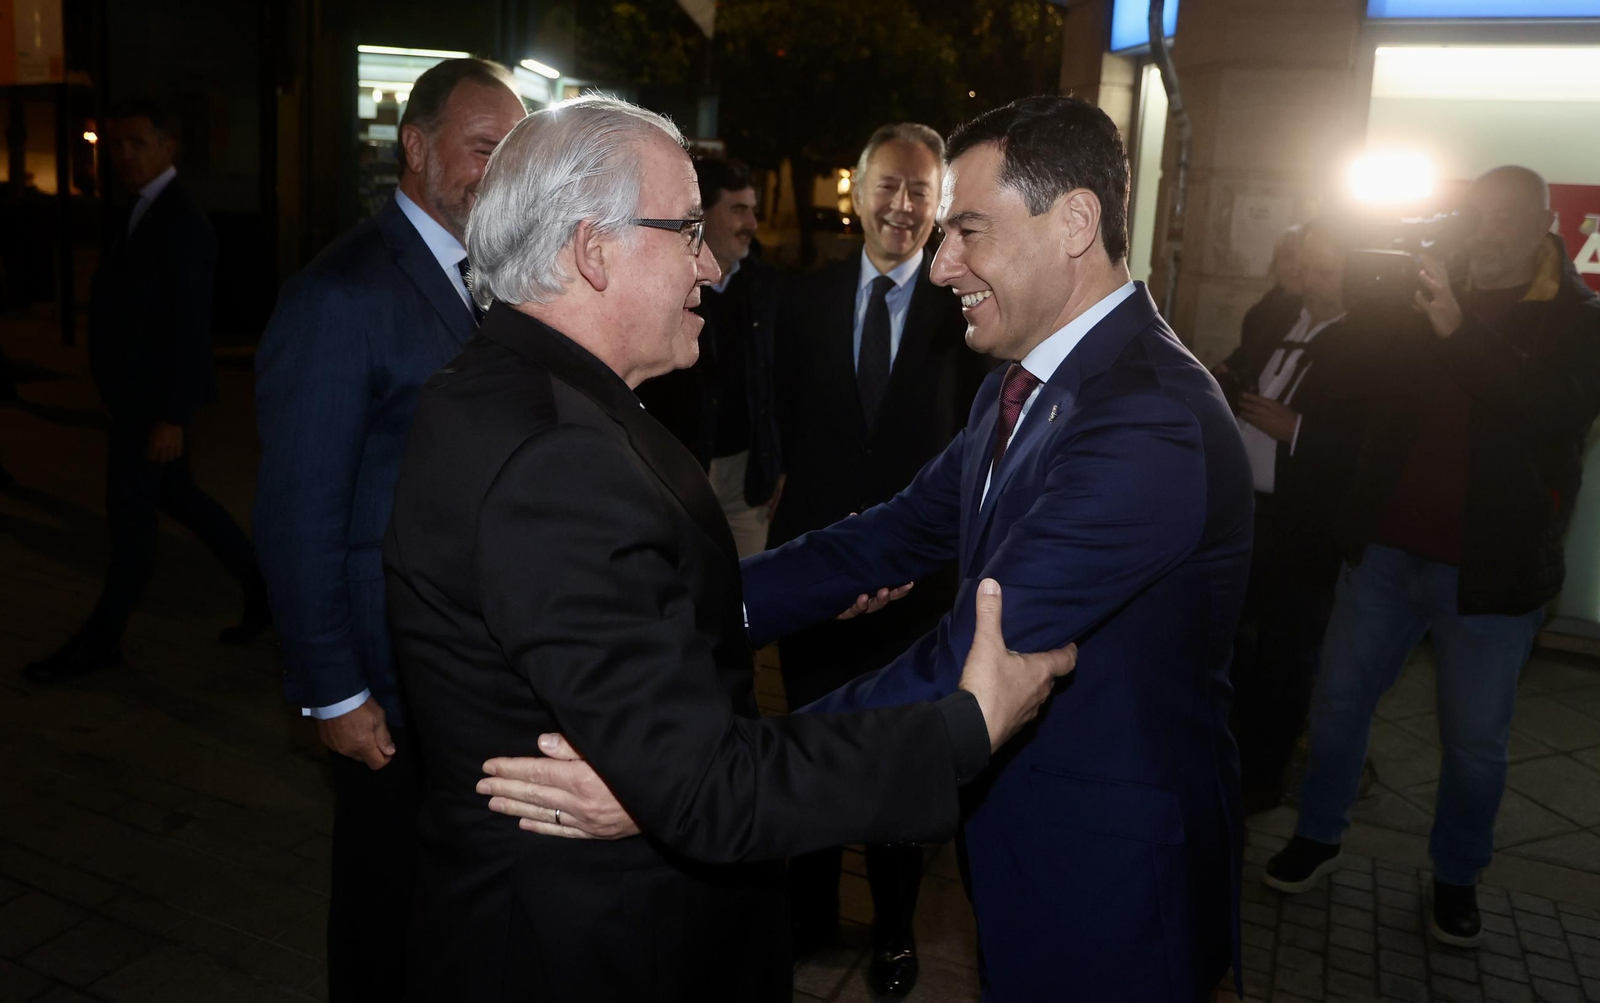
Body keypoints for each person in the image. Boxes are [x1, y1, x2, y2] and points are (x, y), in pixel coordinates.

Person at [490, 95, 1255, 1002]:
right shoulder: (1022, 382)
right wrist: (705, 606)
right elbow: (887, 536)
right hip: (1027, 852)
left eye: (968, 230)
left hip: (1114, 886)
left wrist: (700, 780)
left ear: (1076, 222)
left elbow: (967, 656)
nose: (941, 266)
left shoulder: (1150, 417)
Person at [382, 95, 1074, 1002]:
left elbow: (644, 600)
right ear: (593, 251)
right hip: (597, 943)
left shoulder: (499, 386)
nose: (710, 265)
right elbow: (708, 786)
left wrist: (819, 586)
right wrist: (962, 727)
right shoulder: (556, 458)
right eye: (686, 231)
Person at [1265, 166, 1600, 948]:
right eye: (1474, 214)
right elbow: (1366, 387)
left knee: (1476, 740)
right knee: (1340, 704)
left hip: (1490, 573)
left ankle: (1457, 876)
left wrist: (1457, 325)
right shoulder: (1425, 292)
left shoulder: (1578, 317)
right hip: (1384, 550)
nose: (1486, 230)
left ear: (1544, 223)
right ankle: (1318, 833)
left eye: (1504, 217)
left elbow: (1549, 408)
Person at [251, 58, 525, 1001]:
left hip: (466, 671)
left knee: (449, 910)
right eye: (482, 147)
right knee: (380, 910)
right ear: (415, 149)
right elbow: (297, 514)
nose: (501, 170)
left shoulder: (492, 278)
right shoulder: (340, 295)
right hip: (385, 686)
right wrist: (332, 692)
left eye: (513, 151)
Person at [769, 121, 988, 995]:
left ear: (939, 208)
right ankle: (808, 910)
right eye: (887, 187)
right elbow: (787, 424)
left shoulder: (964, 303)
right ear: (855, 190)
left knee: (899, 761)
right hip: (817, 578)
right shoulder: (805, 298)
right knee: (811, 742)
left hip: (917, 588)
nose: (902, 206)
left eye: (920, 192)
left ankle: (895, 929)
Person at [24, 99, 268, 683]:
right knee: (182, 503)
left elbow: (189, 325)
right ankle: (265, 590)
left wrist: (173, 416)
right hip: (133, 400)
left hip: (153, 408)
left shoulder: (182, 220)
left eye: (135, 143)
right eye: (115, 144)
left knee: (132, 526)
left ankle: (100, 641)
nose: (122, 156)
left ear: (167, 146)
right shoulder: (135, 210)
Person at [1226, 221, 1374, 814]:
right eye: (1304, 266)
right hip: (1243, 509)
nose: (1309, 281)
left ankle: (1261, 778)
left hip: (1306, 523)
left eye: (1324, 271)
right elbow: (1240, 364)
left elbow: (1377, 439)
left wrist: (1299, 432)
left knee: (1286, 657)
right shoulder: (1276, 313)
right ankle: (1222, 753)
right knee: (1227, 641)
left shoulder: (1374, 338)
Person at [635, 157, 781, 556]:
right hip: (677, 469)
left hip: (747, 476)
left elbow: (783, 378)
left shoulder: (766, 284)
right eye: (738, 210)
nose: (751, 223)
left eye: (753, 209)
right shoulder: (661, 285)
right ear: (702, 214)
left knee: (749, 595)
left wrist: (778, 462)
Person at [1214, 224, 1306, 406]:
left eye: (1304, 258)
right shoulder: (1262, 310)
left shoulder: (1315, 316)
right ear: (1275, 264)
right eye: (1288, 256)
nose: (1297, 267)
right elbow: (1250, 352)